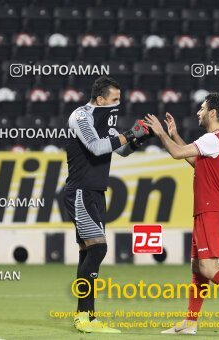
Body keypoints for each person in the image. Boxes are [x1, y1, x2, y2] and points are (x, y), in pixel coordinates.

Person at [144, 93, 219, 336]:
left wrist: (159, 132)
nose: (198, 112)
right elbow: (194, 160)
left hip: (212, 209)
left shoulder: (212, 139)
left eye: (201, 108)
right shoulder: (217, 140)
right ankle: (190, 323)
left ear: (212, 113)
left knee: (209, 268)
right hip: (207, 209)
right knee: (197, 268)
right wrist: (174, 135)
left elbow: (178, 154)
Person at [64, 76, 151, 334]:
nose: (117, 105)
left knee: (87, 252)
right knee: (98, 249)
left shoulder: (105, 121)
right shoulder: (81, 116)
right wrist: (128, 134)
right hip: (81, 191)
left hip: (96, 192)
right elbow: (96, 147)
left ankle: (86, 317)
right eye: (114, 100)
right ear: (100, 99)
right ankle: (84, 316)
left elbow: (121, 149)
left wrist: (140, 138)